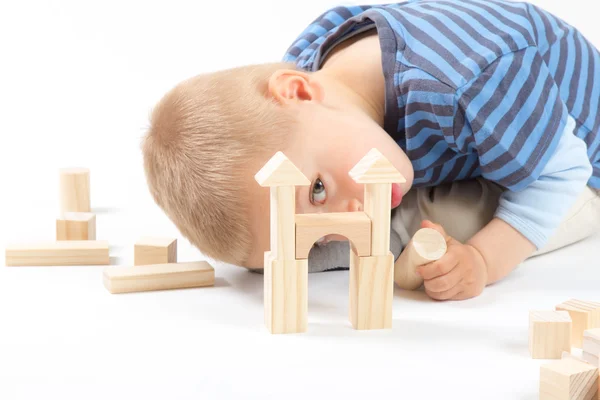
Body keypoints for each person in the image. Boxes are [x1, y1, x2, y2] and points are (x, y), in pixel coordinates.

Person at [141, 1, 600, 300]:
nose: (349, 216)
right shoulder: (311, 91)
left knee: (453, 228)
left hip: (571, 158)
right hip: (478, 135)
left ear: (299, 91)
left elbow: (562, 172)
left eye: (318, 191)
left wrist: (483, 260)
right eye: (319, 237)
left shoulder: (470, 85)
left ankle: (386, 241)